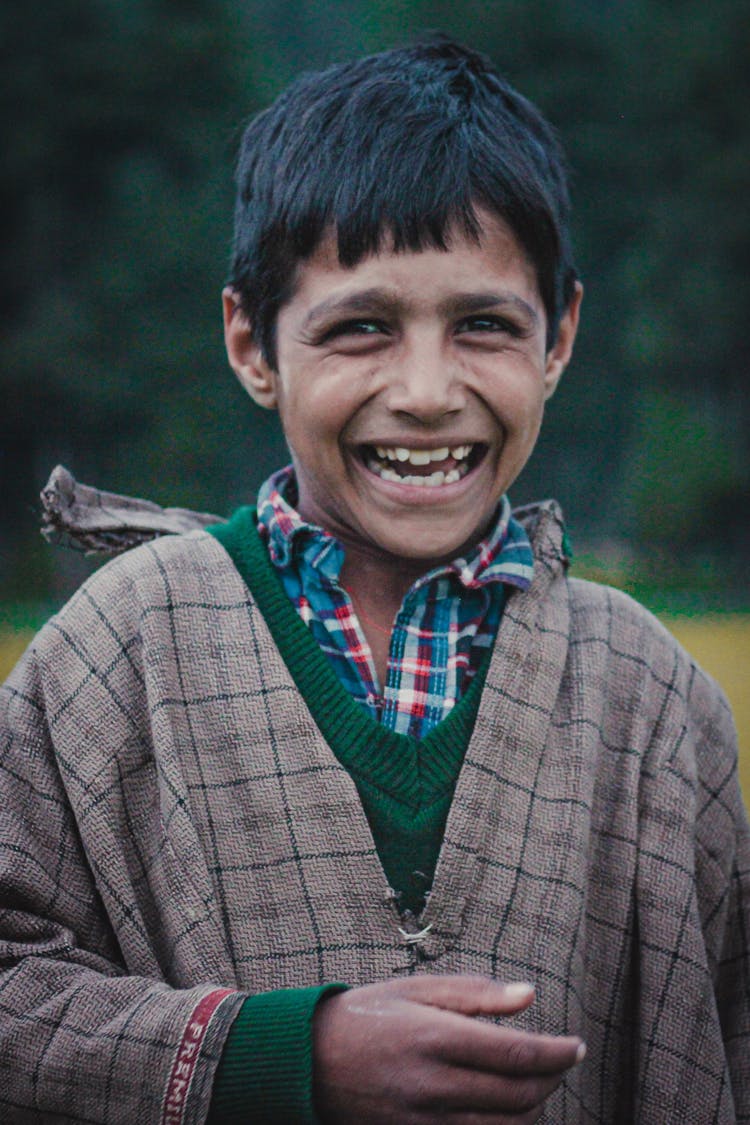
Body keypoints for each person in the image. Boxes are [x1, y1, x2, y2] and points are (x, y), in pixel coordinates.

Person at [1, 36, 748, 1125]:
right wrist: (273, 1057)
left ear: (561, 337)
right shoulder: (117, 649)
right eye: (362, 329)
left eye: (485, 326)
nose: (429, 391)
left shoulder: (654, 700)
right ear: (253, 344)